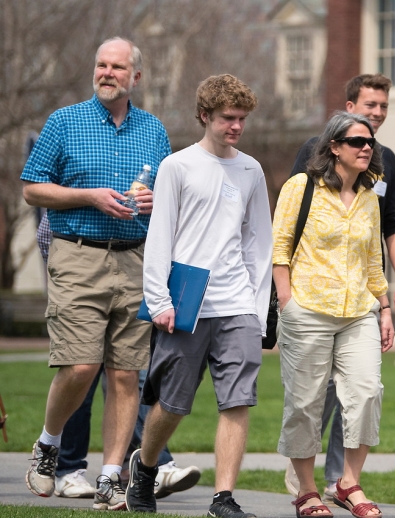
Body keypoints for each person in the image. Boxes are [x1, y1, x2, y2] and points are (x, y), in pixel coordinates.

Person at [20, 37, 172, 511]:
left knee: (126, 374)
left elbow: (169, 197)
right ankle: (48, 445)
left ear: (136, 78)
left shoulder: (154, 129)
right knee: (82, 364)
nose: (106, 73)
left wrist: (154, 200)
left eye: (117, 67)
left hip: (136, 258)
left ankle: (110, 476)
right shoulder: (64, 122)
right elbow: (31, 190)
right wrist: (89, 196)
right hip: (78, 252)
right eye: (101, 65)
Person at [122, 75, 272, 517]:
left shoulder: (251, 170)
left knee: (238, 399)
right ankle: (145, 467)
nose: (236, 127)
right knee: (172, 404)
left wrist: (257, 309)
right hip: (185, 306)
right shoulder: (178, 166)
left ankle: (222, 498)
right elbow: (160, 238)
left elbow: (257, 242)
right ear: (205, 115)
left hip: (237, 304)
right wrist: (160, 301)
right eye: (228, 118)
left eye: (242, 119)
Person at [284, 74, 395, 502]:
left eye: (382, 108)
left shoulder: (377, 182)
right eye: (356, 139)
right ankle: (304, 487)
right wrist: (287, 302)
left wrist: (389, 301)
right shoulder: (306, 173)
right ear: (334, 145)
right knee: (307, 401)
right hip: (309, 305)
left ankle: (345, 481)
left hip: (359, 305)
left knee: (365, 392)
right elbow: (282, 241)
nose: (366, 144)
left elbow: (381, 245)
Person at [32, 216, 200, 502]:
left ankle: (114, 478)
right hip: (81, 269)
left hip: (134, 268)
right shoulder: (79, 178)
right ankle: (62, 463)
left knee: (128, 376)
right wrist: (67, 269)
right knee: (81, 371)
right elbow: (46, 233)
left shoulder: (159, 174)